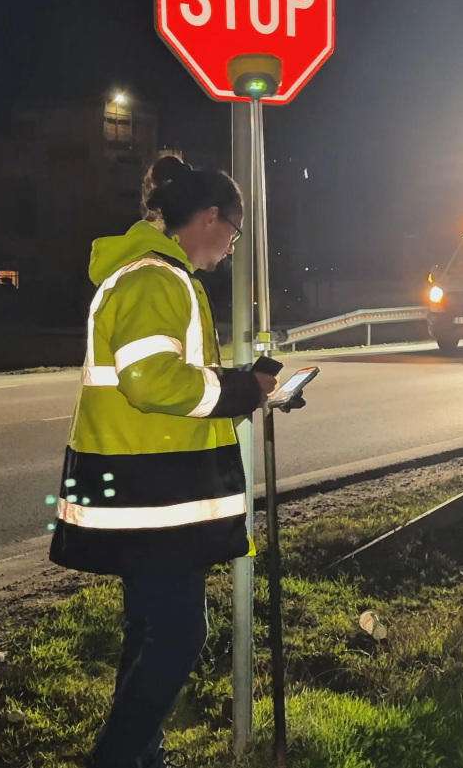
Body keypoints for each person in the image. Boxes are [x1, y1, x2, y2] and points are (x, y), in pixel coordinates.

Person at [51, 155, 278, 768]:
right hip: (151, 488)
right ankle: (116, 760)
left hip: (144, 481)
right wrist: (236, 389)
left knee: (150, 630)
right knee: (179, 635)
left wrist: (244, 389)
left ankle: (139, 758)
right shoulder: (157, 279)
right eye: (233, 232)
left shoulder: (150, 275)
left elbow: (176, 384)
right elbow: (151, 381)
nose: (232, 246)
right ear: (209, 217)